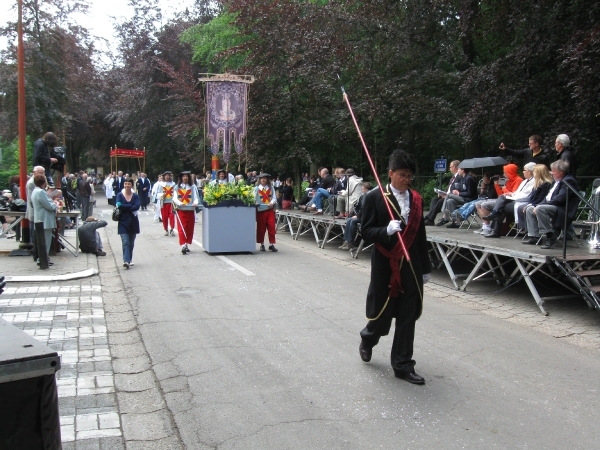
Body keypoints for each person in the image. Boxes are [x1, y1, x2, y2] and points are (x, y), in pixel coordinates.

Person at [358, 149, 431, 385]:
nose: (407, 180)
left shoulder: (417, 200)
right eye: (402, 175)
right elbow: (365, 232)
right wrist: (385, 231)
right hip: (385, 265)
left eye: (410, 176)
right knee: (383, 313)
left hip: (410, 265)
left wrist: (426, 267)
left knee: (407, 315)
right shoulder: (374, 198)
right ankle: (368, 339)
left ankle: (402, 364)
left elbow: (420, 236)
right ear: (390, 173)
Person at [524, 160, 578, 249]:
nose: (551, 173)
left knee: (540, 208)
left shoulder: (568, 181)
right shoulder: (556, 181)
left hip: (562, 208)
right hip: (552, 205)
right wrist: (536, 205)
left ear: (561, 172)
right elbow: (547, 197)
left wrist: (539, 206)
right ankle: (534, 236)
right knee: (530, 209)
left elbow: (560, 199)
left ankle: (550, 236)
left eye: (553, 171)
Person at [482, 162, 535, 238]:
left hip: (518, 201)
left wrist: (505, 190)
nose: (504, 174)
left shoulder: (519, 180)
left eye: (505, 172)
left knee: (500, 208)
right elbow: (502, 194)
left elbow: (521, 194)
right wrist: (497, 185)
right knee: (500, 203)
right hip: (509, 199)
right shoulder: (519, 181)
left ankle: (495, 228)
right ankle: (495, 224)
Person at [516, 164, 553, 234]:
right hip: (534, 203)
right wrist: (529, 203)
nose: (533, 173)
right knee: (521, 207)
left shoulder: (546, 184)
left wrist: (531, 205)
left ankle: (531, 232)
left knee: (527, 209)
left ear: (539, 173)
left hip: (540, 204)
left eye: (535, 172)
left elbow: (542, 198)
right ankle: (525, 228)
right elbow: (532, 196)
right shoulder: (537, 183)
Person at [31, 174, 57, 267]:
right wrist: (55, 204)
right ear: (43, 182)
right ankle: (43, 259)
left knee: (42, 241)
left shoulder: (35, 191)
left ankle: (42, 258)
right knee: (46, 241)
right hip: (45, 219)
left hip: (39, 218)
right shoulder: (41, 192)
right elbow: (49, 205)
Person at [424, 160, 461, 226]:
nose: (449, 169)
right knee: (434, 200)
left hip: (452, 197)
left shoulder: (459, 177)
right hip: (447, 195)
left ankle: (429, 218)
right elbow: (448, 188)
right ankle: (430, 219)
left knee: (441, 201)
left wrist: (447, 195)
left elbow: (457, 189)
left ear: (454, 167)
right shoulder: (453, 177)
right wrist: (441, 193)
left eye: (450, 167)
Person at [339, 182, 372, 250]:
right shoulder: (363, 195)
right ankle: (346, 240)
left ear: (366, 189)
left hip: (368, 217)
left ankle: (351, 242)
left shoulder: (367, 195)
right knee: (349, 220)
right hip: (362, 215)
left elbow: (365, 208)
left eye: (362, 189)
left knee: (353, 221)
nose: (361, 190)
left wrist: (357, 216)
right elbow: (360, 206)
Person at [116, 178, 140, 268]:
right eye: (125, 184)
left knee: (131, 242)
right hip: (123, 222)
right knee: (125, 242)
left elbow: (137, 206)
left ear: (132, 185)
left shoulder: (135, 196)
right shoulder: (119, 195)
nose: (127, 186)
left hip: (133, 222)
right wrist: (130, 206)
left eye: (128, 184)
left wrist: (125, 207)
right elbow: (118, 205)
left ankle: (129, 259)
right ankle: (126, 261)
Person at [172, 171, 199, 254]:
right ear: (181, 178)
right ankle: (183, 244)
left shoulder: (193, 187)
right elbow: (174, 198)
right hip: (181, 210)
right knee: (182, 227)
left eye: (186, 176)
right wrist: (180, 203)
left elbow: (196, 197)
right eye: (183, 176)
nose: (185, 178)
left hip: (190, 210)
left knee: (189, 228)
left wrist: (195, 203)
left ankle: (186, 244)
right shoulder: (177, 187)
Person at [254, 172, 278, 252]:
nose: (263, 180)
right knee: (261, 228)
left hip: (270, 209)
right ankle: (262, 244)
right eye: (261, 178)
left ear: (267, 179)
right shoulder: (256, 189)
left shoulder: (271, 188)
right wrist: (255, 203)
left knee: (271, 227)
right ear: (259, 180)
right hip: (260, 210)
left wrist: (272, 202)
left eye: (264, 178)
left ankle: (271, 244)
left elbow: (274, 198)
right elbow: (253, 198)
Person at [158, 171, 177, 236]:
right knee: (164, 217)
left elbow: (176, 193)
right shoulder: (161, 184)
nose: (167, 177)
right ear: (164, 176)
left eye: (168, 175)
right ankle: (166, 229)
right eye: (166, 175)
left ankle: (172, 229)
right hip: (164, 203)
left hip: (171, 203)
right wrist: (162, 195)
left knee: (172, 216)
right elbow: (158, 194)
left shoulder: (173, 184)